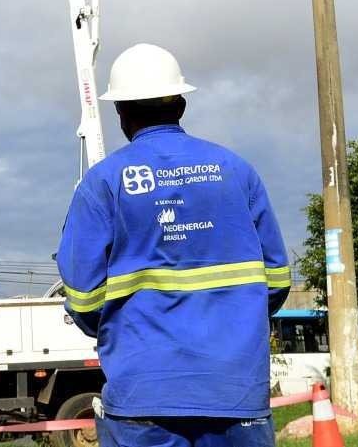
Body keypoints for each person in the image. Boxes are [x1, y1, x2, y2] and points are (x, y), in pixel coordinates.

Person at [56, 43, 292, 447]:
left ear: (121, 113)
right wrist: (234, 321)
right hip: (234, 390)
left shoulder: (104, 182)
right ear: (181, 104)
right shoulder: (236, 171)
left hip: (142, 392)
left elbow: (82, 298)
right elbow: (276, 280)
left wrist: (124, 330)